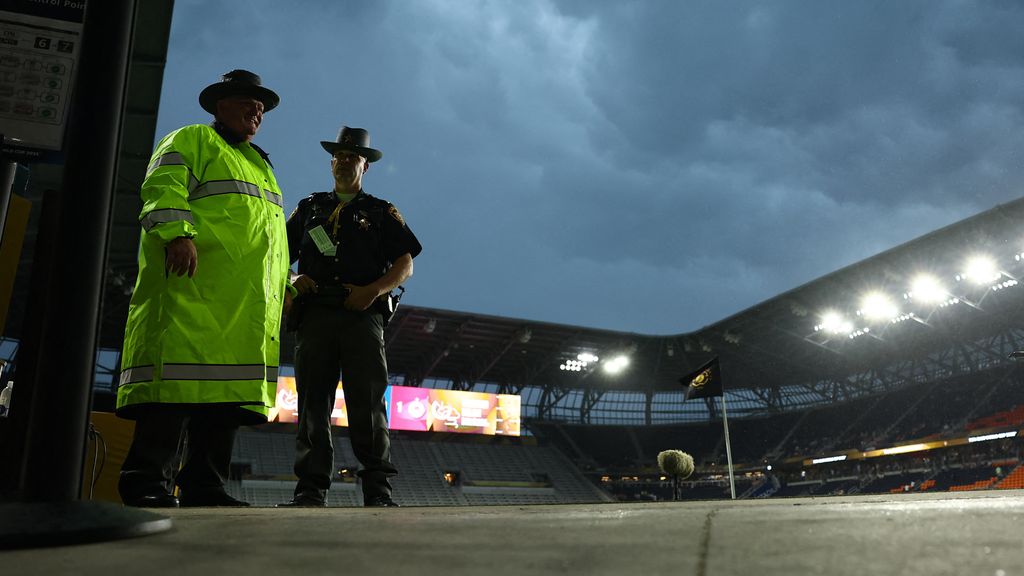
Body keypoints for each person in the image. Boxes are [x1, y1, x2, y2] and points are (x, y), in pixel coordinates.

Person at [115, 70, 293, 508]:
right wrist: (177, 233)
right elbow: (161, 187)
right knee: (172, 392)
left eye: (261, 107)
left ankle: (205, 486)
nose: (257, 111)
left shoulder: (260, 162)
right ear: (219, 106)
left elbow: (269, 235)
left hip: (244, 303)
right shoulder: (190, 138)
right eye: (247, 102)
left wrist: (281, 286)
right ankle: (144, 482)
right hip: (191, 290)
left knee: (225, 401)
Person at [279, 126, 421, 507]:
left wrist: (374, 290)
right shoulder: (309, 207)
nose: (344, 161)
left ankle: (378, 491)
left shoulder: (381, 211)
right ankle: (310, 489)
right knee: (311, 405)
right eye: (339, 156)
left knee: (368, 403)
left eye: (352, 156)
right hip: (315, 317)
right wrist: (293, 279)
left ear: (365, 166)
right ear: (331, 163)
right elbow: (278, 253)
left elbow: (405, 262)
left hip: (362, 315)